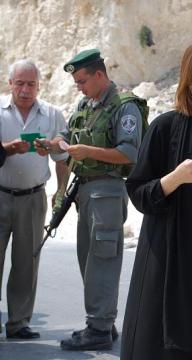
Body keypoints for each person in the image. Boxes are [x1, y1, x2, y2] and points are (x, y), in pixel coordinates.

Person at [121, 40, 192, 360]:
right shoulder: (165, 128)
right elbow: (139, 193)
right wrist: (175, 178)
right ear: (191, 81)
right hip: (171, 258)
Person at [36, 49, 144, 351]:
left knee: (102, 261)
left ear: (100, 74)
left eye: (82, 80)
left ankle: (98, 327)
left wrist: (88, 151)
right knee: (89, 259)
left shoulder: (125, 107)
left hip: (107, 192)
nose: (79, 87)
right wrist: (52, 145)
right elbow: (66, 137)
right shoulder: (86, 105)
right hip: (84, 191)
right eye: (76, 83)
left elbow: (129, 153)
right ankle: (103, 324)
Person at [0, 59, 68, 339]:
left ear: (39, 86)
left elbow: (63, 156)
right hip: (0, 193)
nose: (25, 90)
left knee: (27, 262)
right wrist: (9, 149)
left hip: (33, 197)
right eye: (20, 83)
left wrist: (61, 190)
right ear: (10, 84)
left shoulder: (52, 114)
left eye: (31, 84)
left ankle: (18, 323)